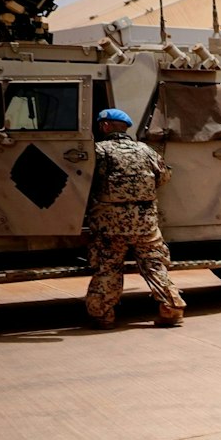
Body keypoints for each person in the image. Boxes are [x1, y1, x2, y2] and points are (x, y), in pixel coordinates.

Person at [83, 108, 186, 329]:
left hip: (110, 225)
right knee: (155, 265)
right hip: (145, 224)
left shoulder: (99, 151)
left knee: (108, 267)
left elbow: (84, 183)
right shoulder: (145, 150)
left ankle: (103, 315)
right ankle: (172, 308)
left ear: (106, 126)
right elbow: (164, 176)